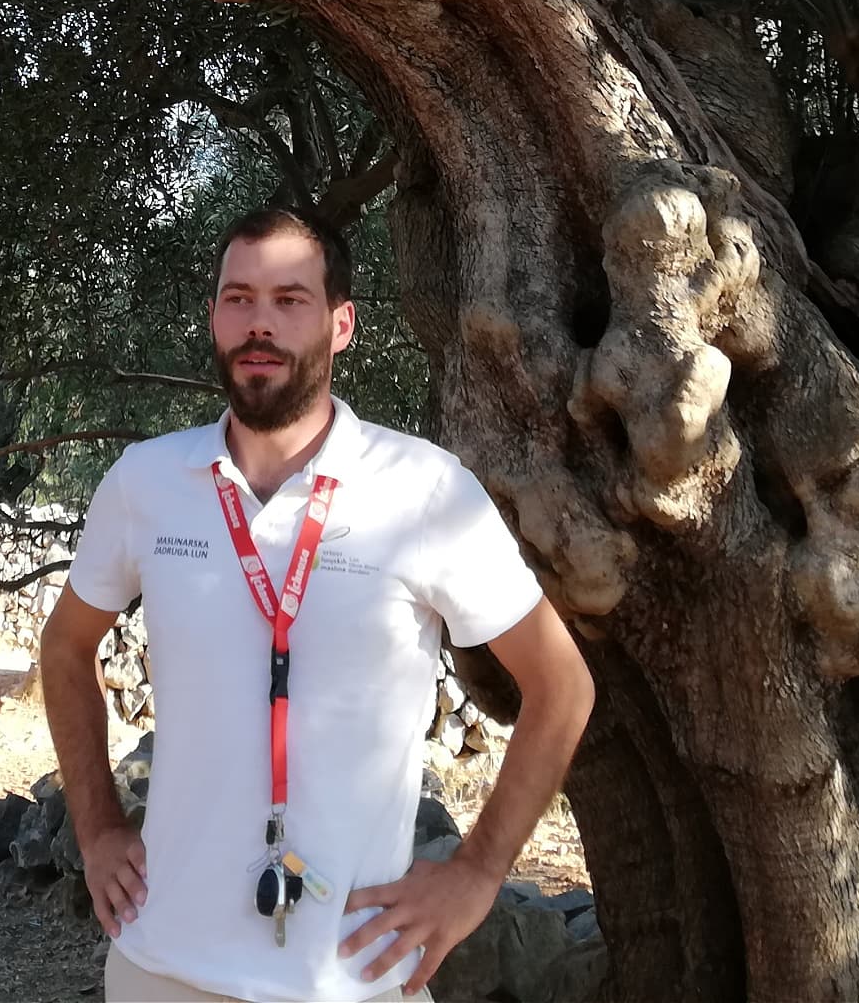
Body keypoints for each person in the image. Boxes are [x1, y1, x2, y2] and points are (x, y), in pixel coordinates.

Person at [41, 206, 595, 1003]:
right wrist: (95, 828)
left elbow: (563, 686)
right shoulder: (145, 483)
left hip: (354, 979)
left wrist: (476, 872)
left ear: (342, 325)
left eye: (289, 300)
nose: (259, 323)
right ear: (213, 317)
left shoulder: (427, 489)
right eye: (238, 298)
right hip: (160, 966)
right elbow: (64, 651)